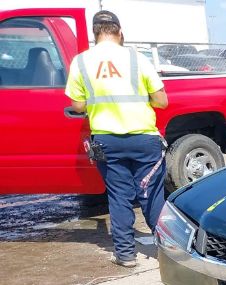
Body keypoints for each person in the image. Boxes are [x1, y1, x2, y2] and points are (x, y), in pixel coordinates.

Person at [65, 10, 168, 268]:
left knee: (119, 196)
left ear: (95, 34)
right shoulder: (136, 58)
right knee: (152, 196)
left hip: (107, 140)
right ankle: (168, 253)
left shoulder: (81, 61)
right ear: (120, 32)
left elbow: (77, 105)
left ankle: (126, 255)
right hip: (143, 138)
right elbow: (162, 101)